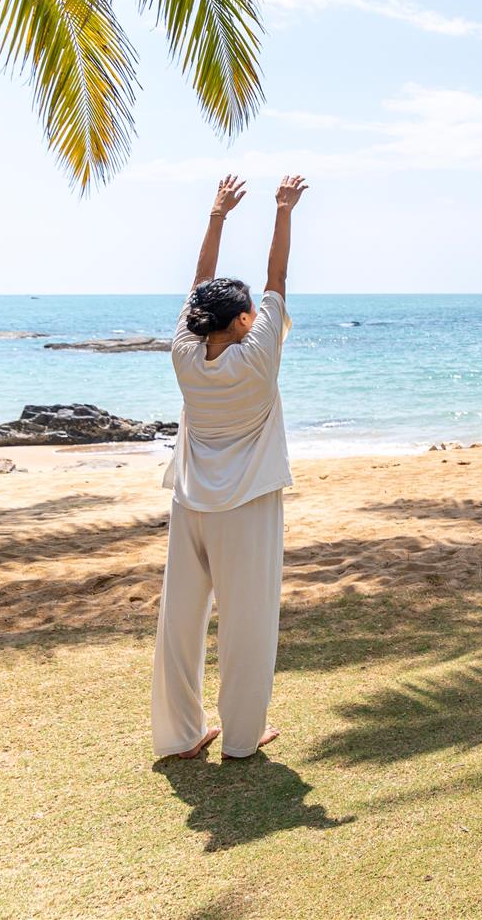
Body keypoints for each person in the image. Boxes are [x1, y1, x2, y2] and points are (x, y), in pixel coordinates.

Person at [153, 174, 308, 762]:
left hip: (190, 502)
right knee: (247, 623)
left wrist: (216, 215)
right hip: (247, 507)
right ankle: (242, 738)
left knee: (179, 623)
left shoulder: (185, 353)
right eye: (250, 311)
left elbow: (199, 285)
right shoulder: (259, 356)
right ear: (244, 320)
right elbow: (278, 278)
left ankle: (180, 734)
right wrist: (284, 209)